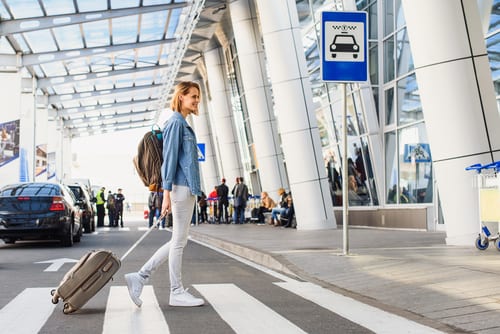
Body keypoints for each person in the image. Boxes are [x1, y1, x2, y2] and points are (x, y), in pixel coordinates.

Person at [125, 81, 205, 308]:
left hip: (185, 188)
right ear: (181, 97)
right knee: (179, 241)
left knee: (178, 240)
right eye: (193, 96)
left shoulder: (183, 123)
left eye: (198, 96)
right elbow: (168, 162)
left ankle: (139, 277)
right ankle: (176, 291)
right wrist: (166, 194)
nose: (197, 100)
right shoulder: (176, 123)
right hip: (179, 188)